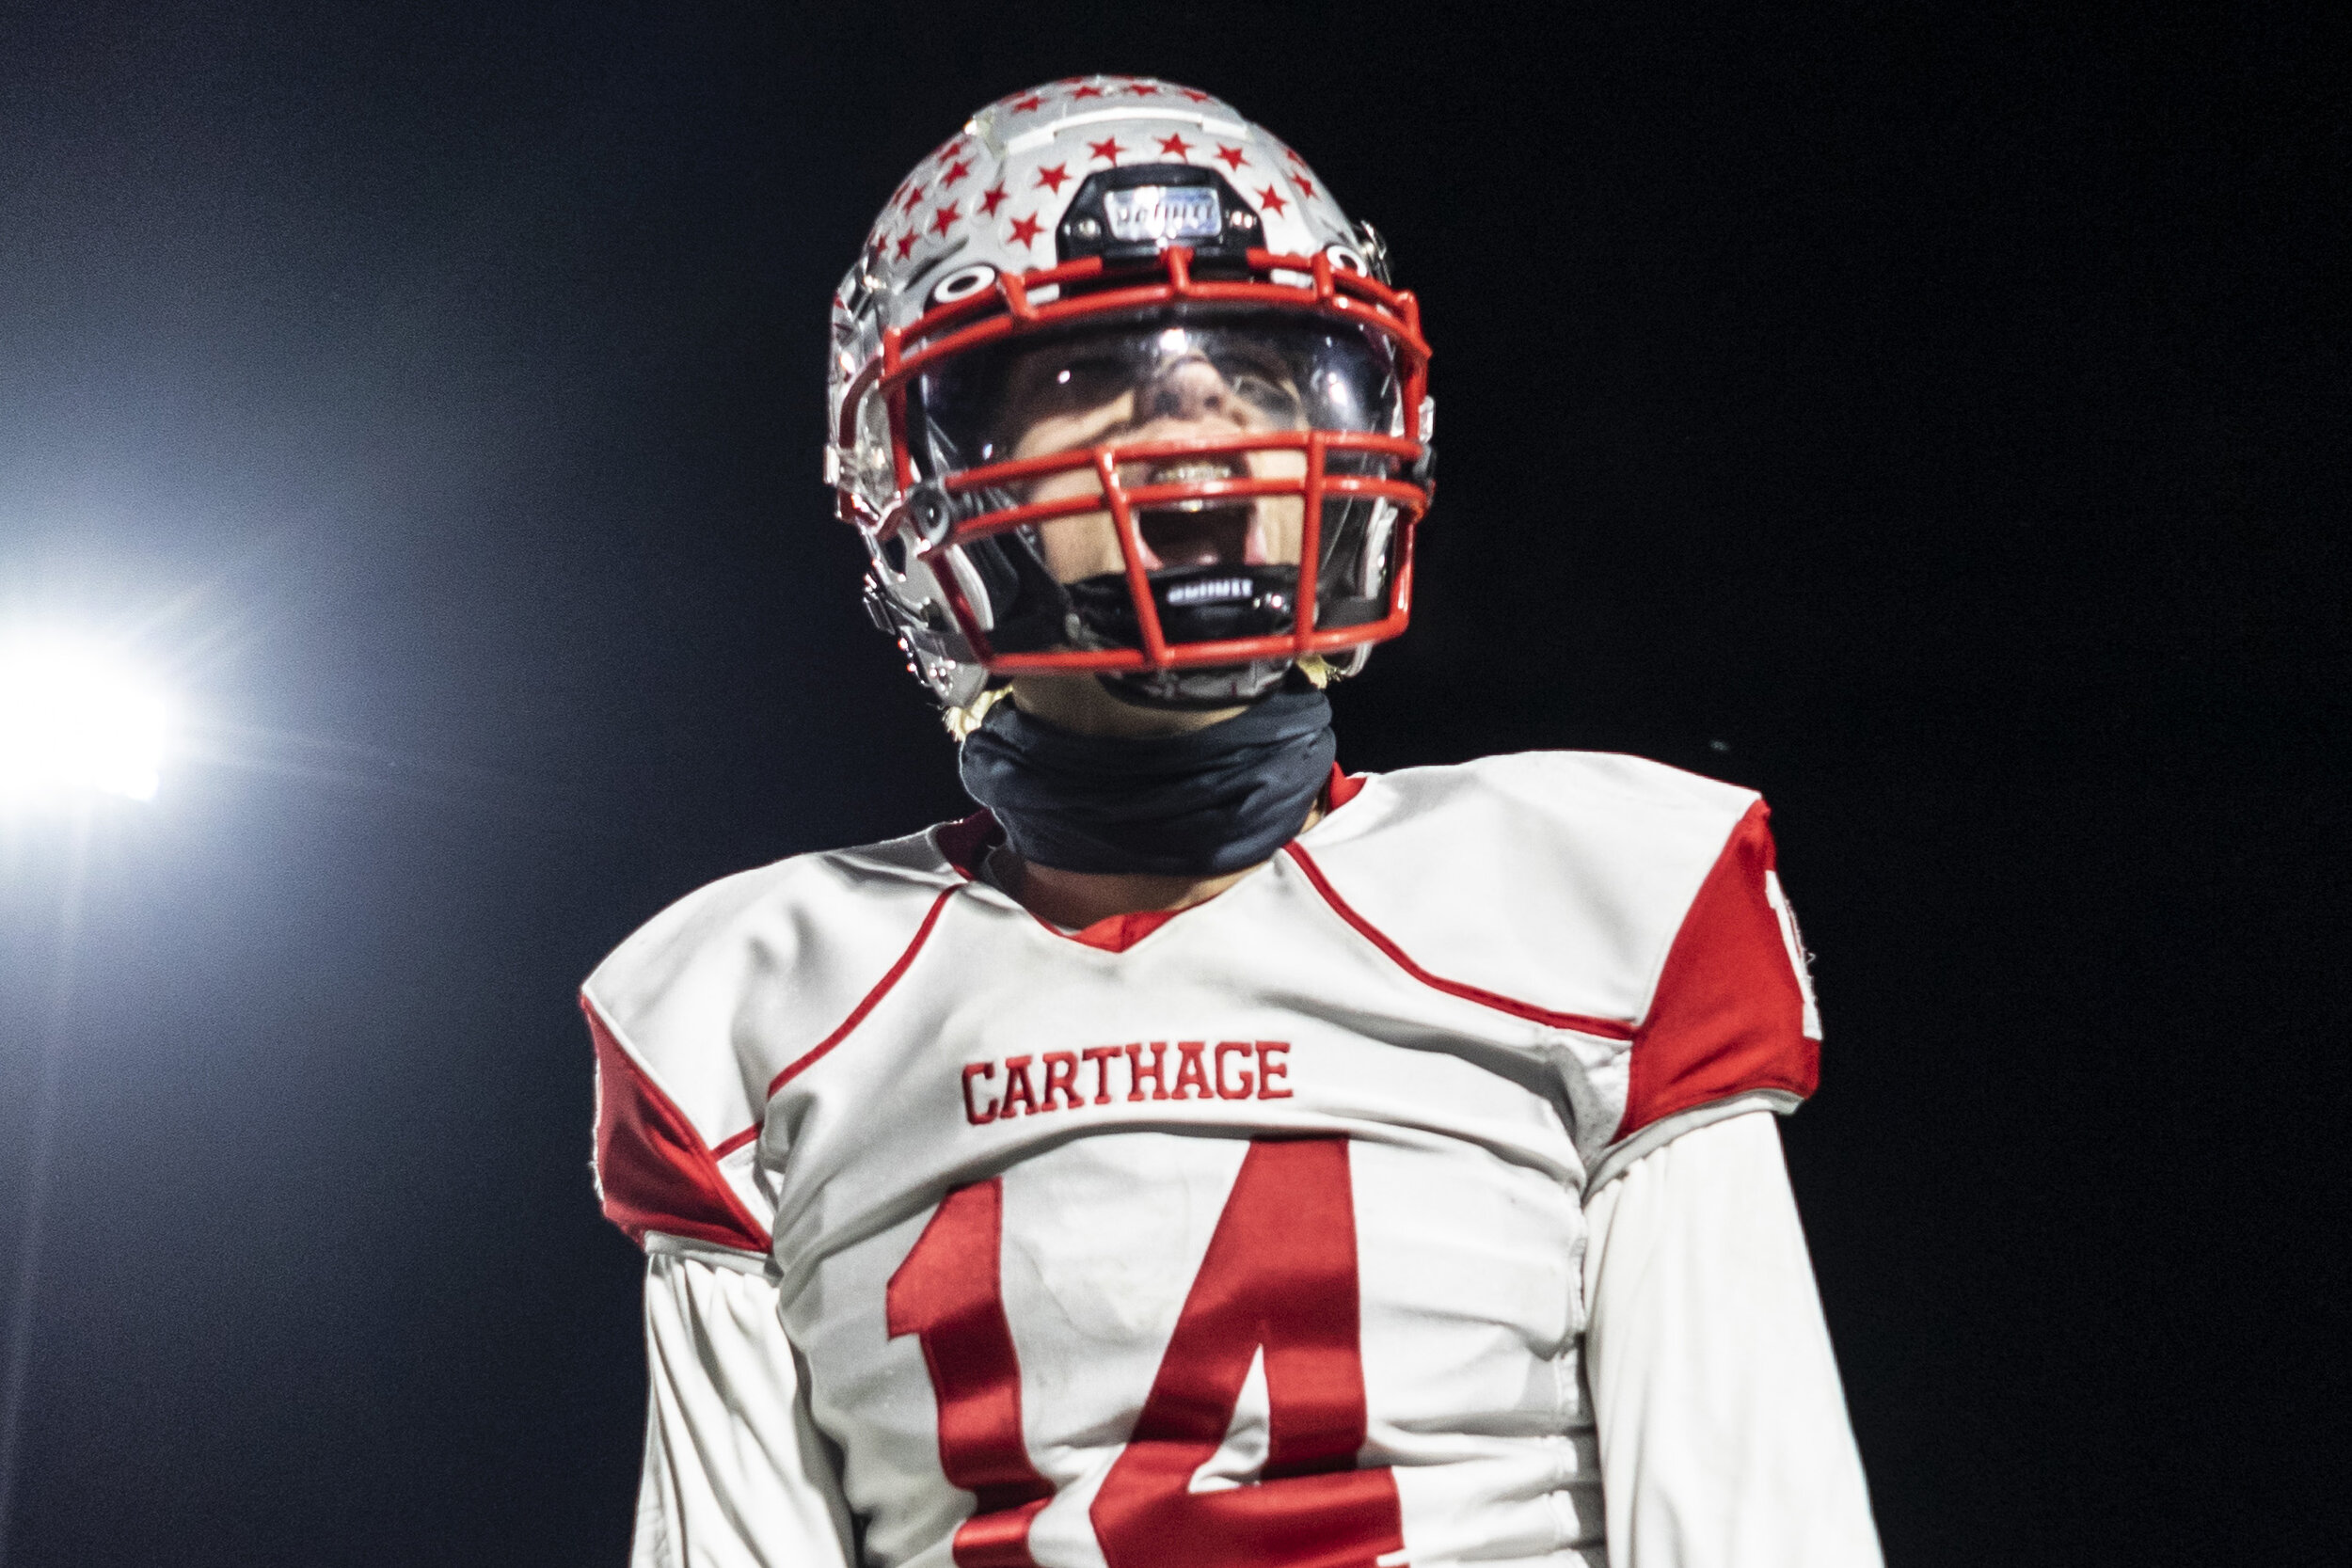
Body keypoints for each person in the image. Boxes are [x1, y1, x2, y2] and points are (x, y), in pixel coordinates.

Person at [584, 75, 1883, 1568]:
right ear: (918, 479)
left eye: (1265, 371)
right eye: (1090, 370)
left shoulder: (1602, 905)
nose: (1199, 407)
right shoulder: (757, 1006)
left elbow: (1753, 1528)